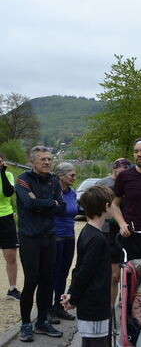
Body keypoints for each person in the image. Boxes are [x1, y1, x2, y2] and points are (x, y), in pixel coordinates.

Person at [16, 145, 65, 342]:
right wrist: (50, 204)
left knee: (47, 280)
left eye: (49, 159)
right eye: (43, 159)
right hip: (29, 238)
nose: (47, 162)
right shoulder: (23, 179)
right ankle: (26, 324)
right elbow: (29, 204)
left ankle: (42, 321)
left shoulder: (54, 181)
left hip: (49, 236)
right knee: (31, 280)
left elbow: (61, 208)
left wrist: (46, 204)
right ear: (32, 161)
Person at [61, 185, 115, 347]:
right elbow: (84, 272)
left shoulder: (86, 232)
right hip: (95, 305)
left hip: (90, 304)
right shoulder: (97, 239)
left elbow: (79, 268)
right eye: (113, 204)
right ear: (106, 206)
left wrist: (71, 293)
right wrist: (73, 299)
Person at [96, 158, 130, 307]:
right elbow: (95, 206)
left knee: (129, 269)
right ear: (115, 169)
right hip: (109, 231)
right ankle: (110, 307)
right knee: (113, 275)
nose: (124, 172)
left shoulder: (130, 182)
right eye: (121, 169)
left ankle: (127, 299)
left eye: (126, 169)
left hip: (128, 230)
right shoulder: (103, 183)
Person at [49, 163, 78, 323]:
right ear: (60, 176)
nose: (74, 178)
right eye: (71, 175)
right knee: (53, 273)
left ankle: (58, 306)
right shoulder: (52, 192)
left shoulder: (72, 193)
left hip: (69, 236)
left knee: (63, 273)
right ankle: (48, 309)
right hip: (55, 236)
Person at [0, 154, 20, 301]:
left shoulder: (8, 175)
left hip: (5, 217)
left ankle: (12, 289)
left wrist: (2, 172)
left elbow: (8, 192)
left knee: (10, 255)